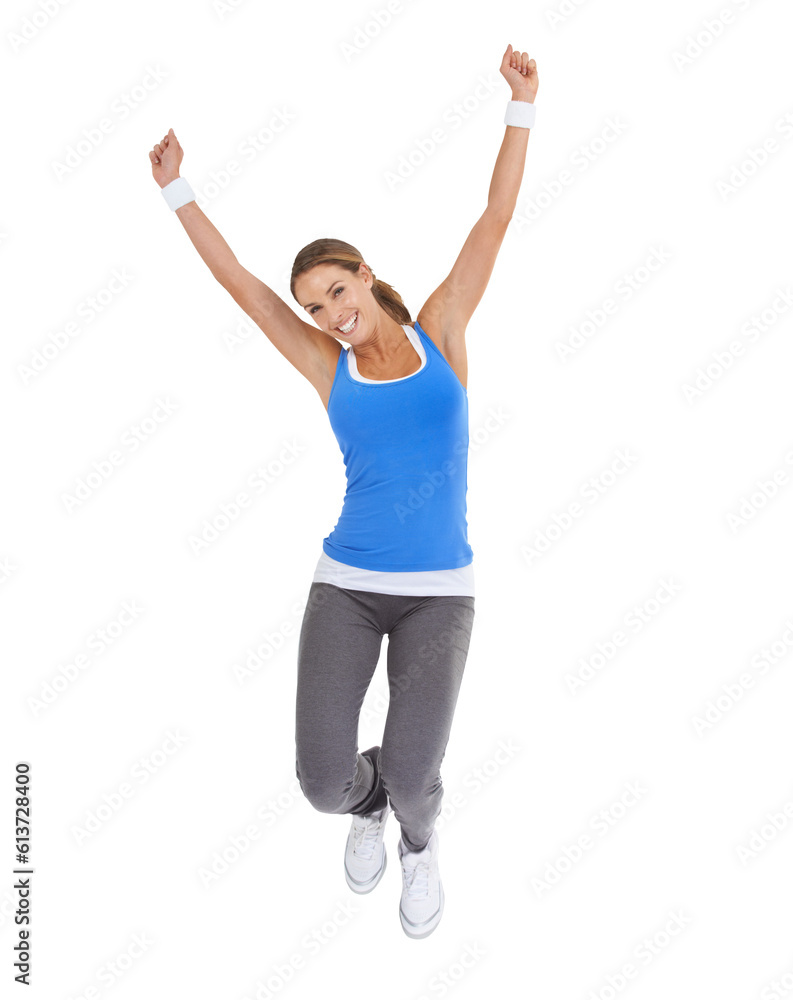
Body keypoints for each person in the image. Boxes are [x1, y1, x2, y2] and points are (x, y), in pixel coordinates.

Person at [148, 43, 538, 938]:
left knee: (415, 777)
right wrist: (178, 191)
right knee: (325, 783)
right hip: (347, 587)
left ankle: (417, 840)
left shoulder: (441, 330)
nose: (330, 314)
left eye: (334, 290)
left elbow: (496, 215)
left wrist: (521, 105)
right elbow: (245, 291)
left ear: (363, 271)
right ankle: (369, 809)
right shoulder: (330, 367)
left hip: (439, 592)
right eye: (315, 307)